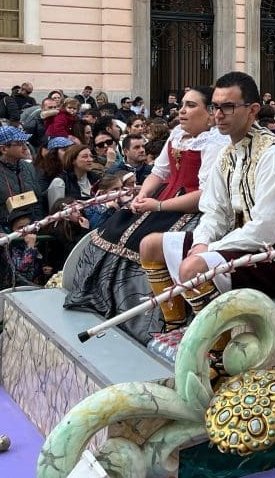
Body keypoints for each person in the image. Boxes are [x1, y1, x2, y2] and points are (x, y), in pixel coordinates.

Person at [137, 73, 275, 365]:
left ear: (252, 110)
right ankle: (176, 328)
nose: (218, 114)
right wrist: (202, 242)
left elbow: (266, 228)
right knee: (150, 245)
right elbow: (214, 211)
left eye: (228, 107)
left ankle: (215, 354)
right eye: (215, 107)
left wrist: (209, 250)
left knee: (193, 266)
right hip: (239, 244)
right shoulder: (227, 154)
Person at [65, 86, 227, 343]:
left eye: (191, 105)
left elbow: (206, 195)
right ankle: (103, 300)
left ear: (209, 113)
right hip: (162, 198)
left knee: (148, 240)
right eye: (182, 105)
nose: (182, 111)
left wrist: (159, 206)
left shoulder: (217, 143)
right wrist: (142, 196)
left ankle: (164, 321)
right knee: (116, 227)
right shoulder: (177, 134)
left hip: (192, 207)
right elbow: (159, 172)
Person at [46, 143, 101, 211]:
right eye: (85, 157)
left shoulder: (96, 178)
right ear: (73, 160)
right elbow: (56, 212)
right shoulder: (59, 183)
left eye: (91, 156)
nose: (90, 160)